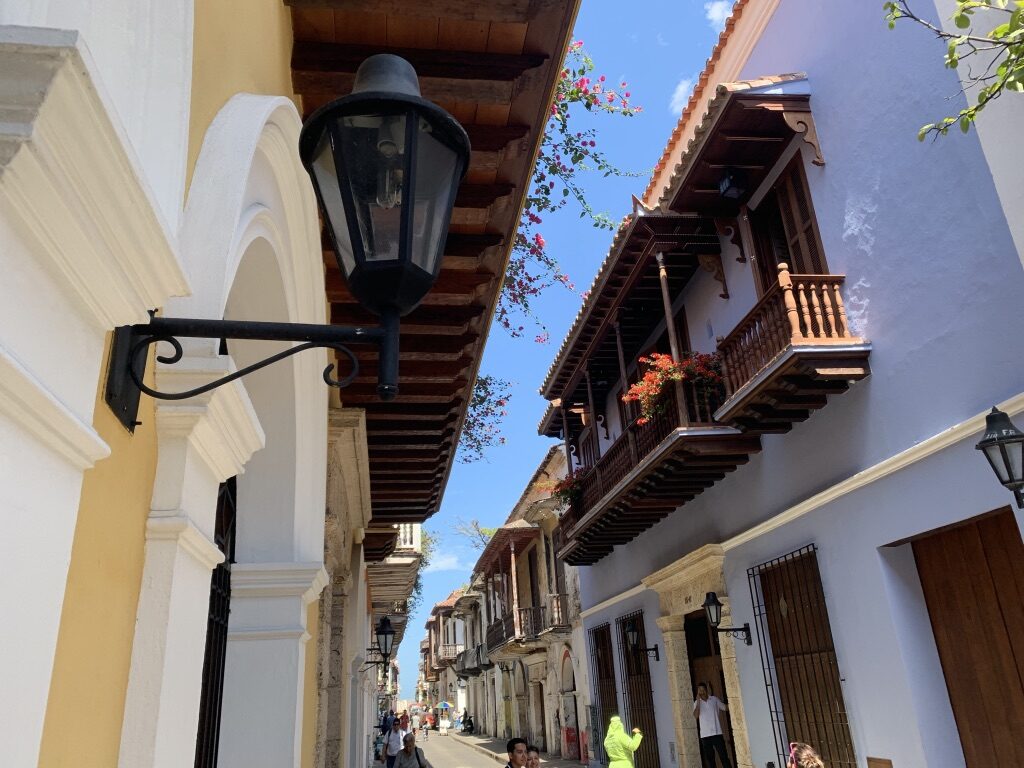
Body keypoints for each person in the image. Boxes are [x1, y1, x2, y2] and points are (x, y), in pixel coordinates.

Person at [693, 683, 731, 768]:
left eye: (703, 690)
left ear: (706, 690)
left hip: (717, 734)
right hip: (705, 736)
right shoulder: (696, 703)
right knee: (711, 761)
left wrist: (733, 699)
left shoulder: (714, 699)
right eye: (699, 690)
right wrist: (698, 702)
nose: (701, 692)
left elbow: (725, 708)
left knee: (724, 757)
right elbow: (695, 716)